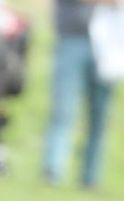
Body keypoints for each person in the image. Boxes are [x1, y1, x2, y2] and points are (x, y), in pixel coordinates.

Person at [41, 0, 111, 189]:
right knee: (63, 111)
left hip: (107, 44)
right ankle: (52, 170)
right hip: (72, 39)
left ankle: (91, 177)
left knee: (99, 116)